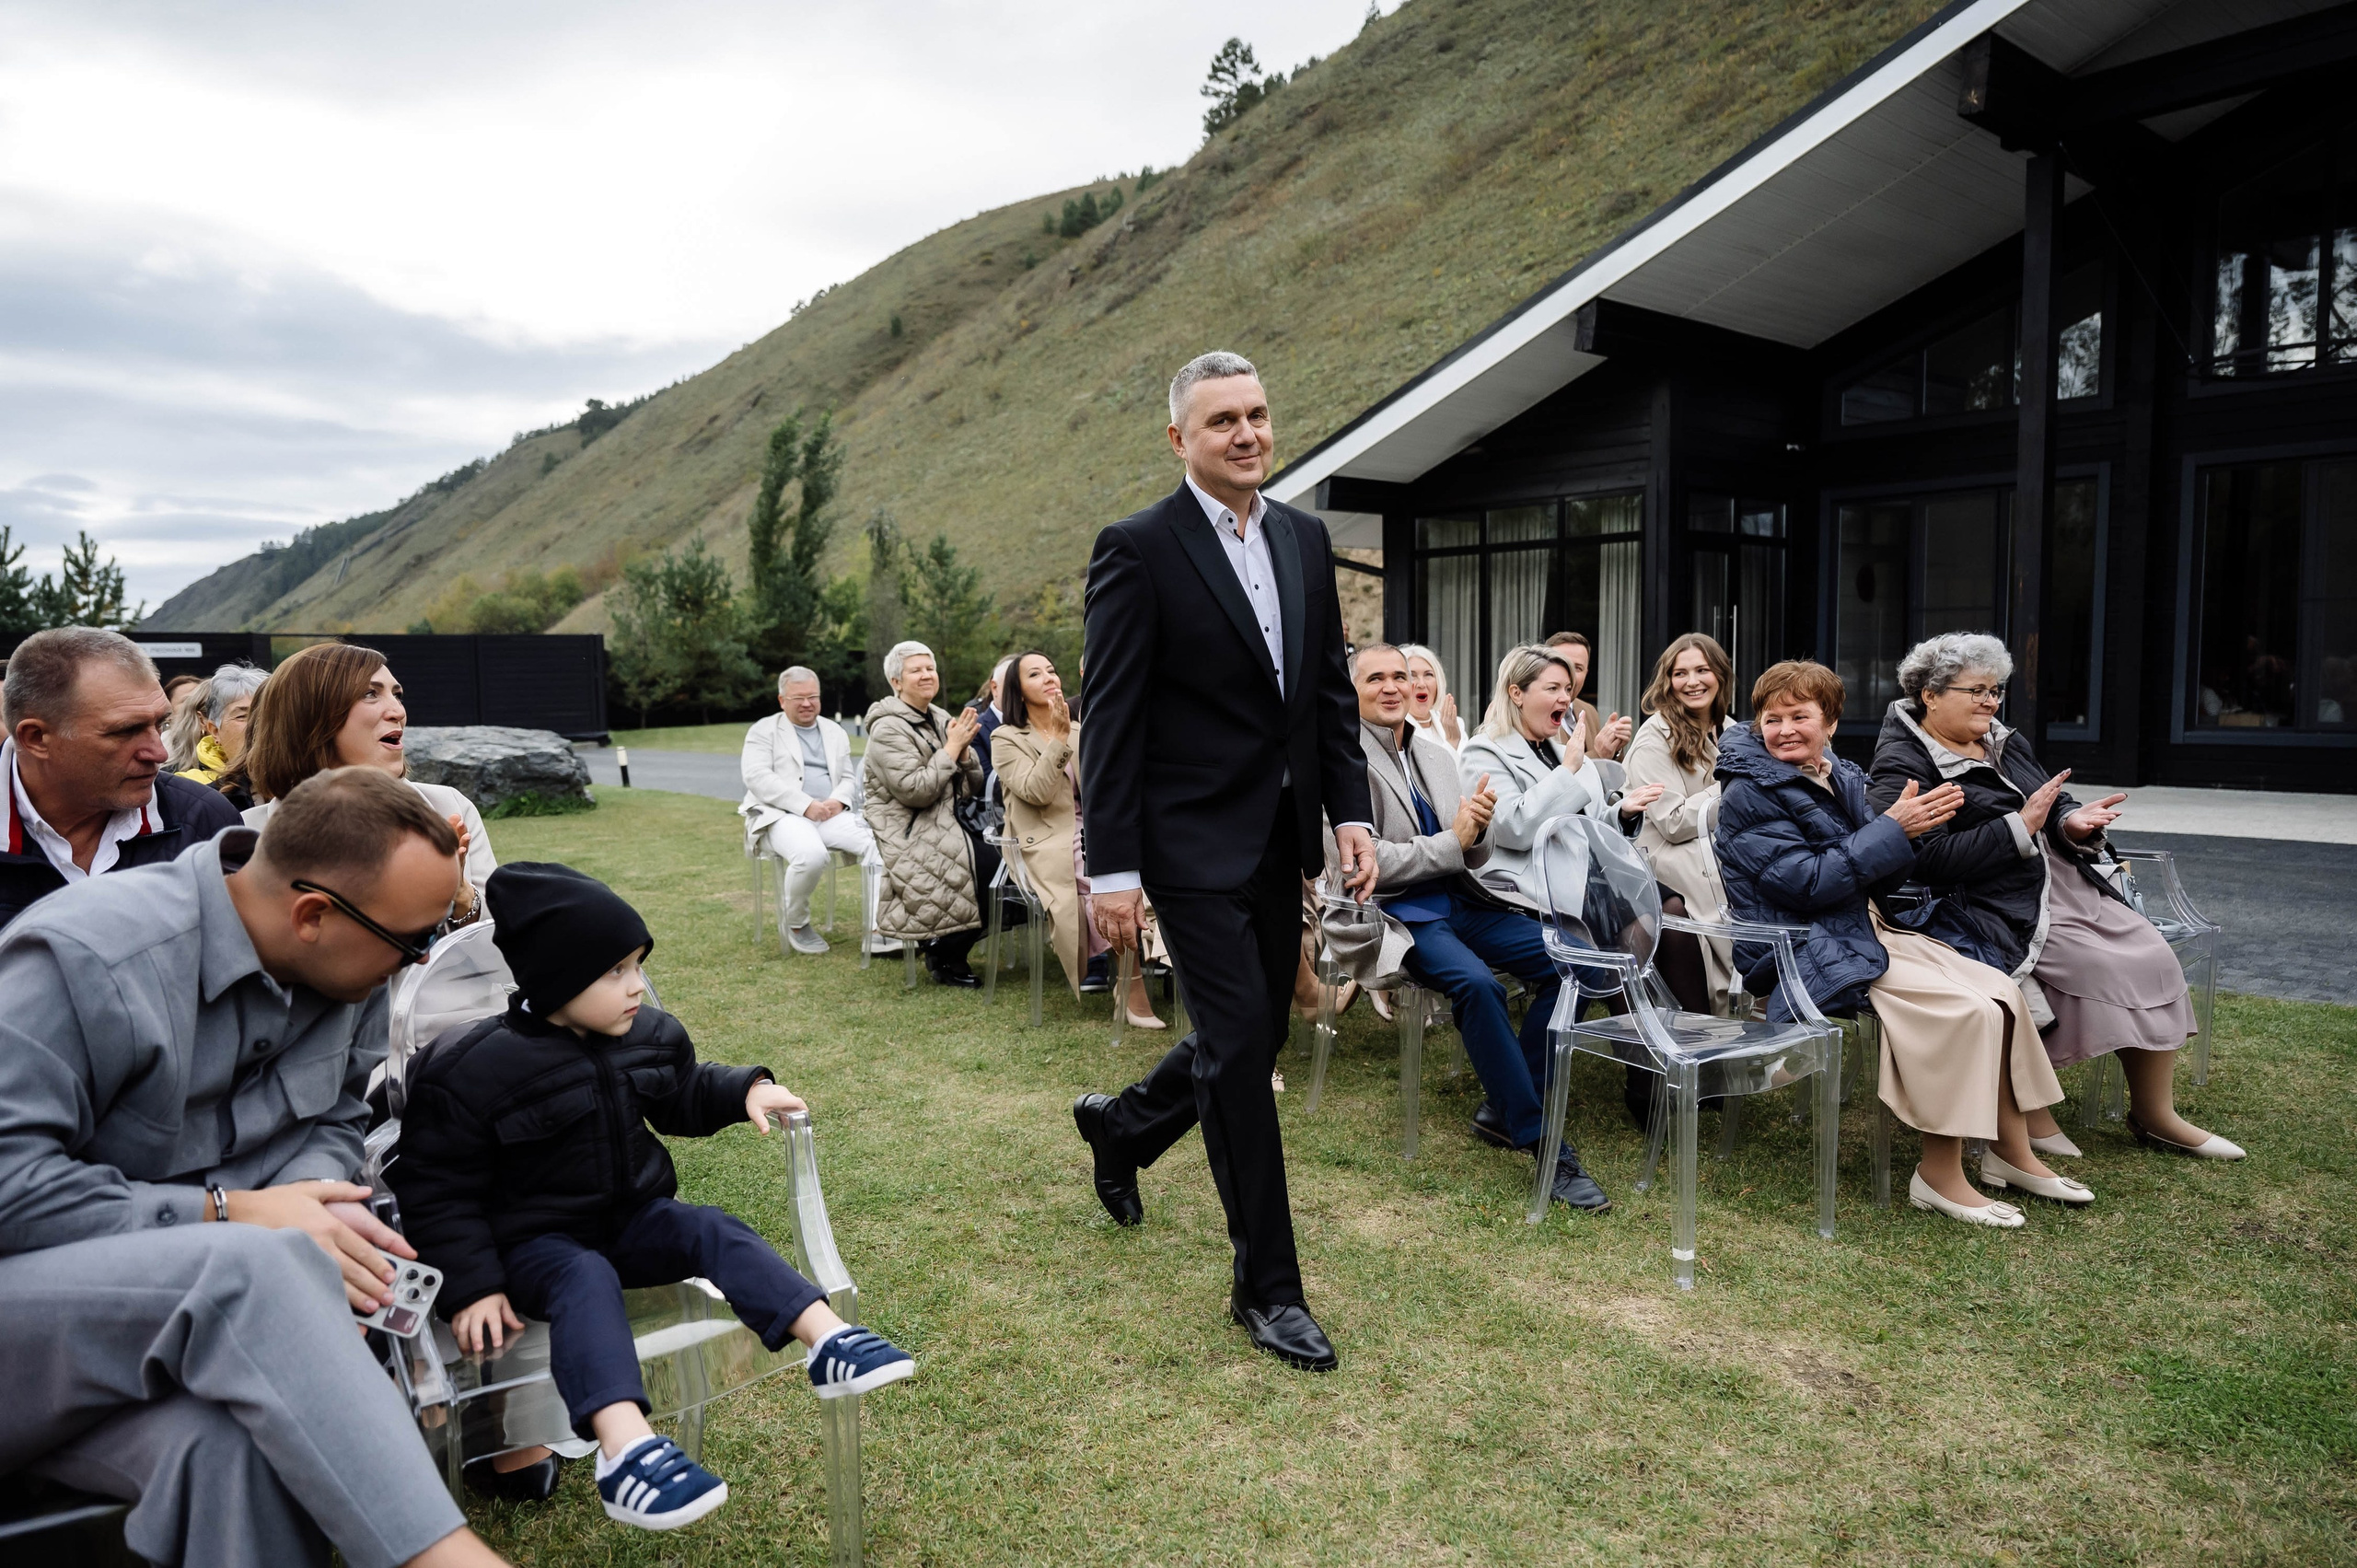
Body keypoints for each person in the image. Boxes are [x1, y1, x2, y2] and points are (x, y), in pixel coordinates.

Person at [0, 766, 514, 1568]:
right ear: (313, 912)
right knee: (254, 1264)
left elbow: (337, 1114)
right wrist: (231, 1212)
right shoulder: (83, 955)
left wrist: (320, 1208)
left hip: (149, 1353)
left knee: (235, 1452)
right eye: (412, 942)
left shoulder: (355, 957)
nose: (418, 961)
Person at [389, 862, 915, 1533]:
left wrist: (745, 1089)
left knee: (707, 1226)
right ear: (555, 978)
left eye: (637, 964)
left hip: (633, 1219)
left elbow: (686, 1091)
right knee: (584, 1275)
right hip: (536, 1246)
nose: (637, 984)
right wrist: (473, 1284)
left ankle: (827, 1341)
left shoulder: (646, 1034)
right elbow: (436, 1187)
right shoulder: (473, 1071)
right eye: (615, 971)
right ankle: (626, 1450)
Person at [1069, 350, 1376, 1374]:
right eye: (1220, 422)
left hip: (1280, 835)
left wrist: (1351, 812)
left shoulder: (1302, 533)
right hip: (1186, 842)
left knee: (1245, 1037)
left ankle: (1122, 1126)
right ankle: (1268, 1290)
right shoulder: (1137, 549)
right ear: (1179, 440)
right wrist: (1110, 866)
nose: (1246, 433)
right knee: (1241, 1049)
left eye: (1256, 414)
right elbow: (1110, 718)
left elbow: (1327, 690)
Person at [1714, 659, 2078, 1229]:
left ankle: (2012, 1151)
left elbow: (1876, 876)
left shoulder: (1842, 775)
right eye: (1772, 718)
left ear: (1830, 723)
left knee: (2001, 992)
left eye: (1799, 716)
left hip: (1867, 928)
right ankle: (1939, 1174)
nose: (1784, 729)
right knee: (1964, 1009)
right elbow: (1806, 884)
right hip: (1806, 945)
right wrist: (1891, 830)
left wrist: (1908, 833)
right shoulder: (1747, 793)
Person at [1868, 633, 2243, 1162]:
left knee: (2152, 954)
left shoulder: (2000, 738)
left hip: (2061, 882)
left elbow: (2050, 794)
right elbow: (1920, 861)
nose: (1990, 702)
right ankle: (2028, 1113)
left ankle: (2155, 1114)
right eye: (1976, 690)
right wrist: (2017, 828)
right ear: (1930, 694)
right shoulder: (1903, 763)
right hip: (1986, 901)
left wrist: (2071, 819)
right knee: (2092, 965)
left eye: (1995, 690)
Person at [1325, 644, 1608, 1209]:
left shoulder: (1433, 753)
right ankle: (1542, 1143)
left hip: (1461, 901)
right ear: (1350, 691)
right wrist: (1454, 840)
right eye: (1374, 678)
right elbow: (1362, 869)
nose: (1391, 687)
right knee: (1478, 986)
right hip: (1396, 913)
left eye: (1400, 677)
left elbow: (1470, 854)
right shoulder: (1337, 761)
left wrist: (1473, 835)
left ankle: (1507, 1105)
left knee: (1572, 957)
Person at [0, 626, 242, 930]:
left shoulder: (204, 819)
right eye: (126, 731)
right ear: (36, 738)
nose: (158, 753)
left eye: (161, 723)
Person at [238, 642, 495, 915]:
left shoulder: (449, 809)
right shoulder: (246, 838)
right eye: (371, 694)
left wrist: (462, 898)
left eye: (397, 695)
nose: (398, 712)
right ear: (310, 715)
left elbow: (497, 945)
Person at [991, 648, 1163, 1027]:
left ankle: (1158, 975)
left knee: (1142, 866)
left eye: (1051, 671)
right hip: (1045, 839)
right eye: (1035, 674)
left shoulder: (1082, 730)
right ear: (1016, 692)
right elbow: (1034, 792)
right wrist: (1057, 740)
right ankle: (1131, 988)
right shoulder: (1006, 738)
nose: (1050, 678)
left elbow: (1103, 791)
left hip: (1090, 827)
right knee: (1106, 879)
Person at [1457, 645, 1663, 912]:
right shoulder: (1484, 751)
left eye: (1567, 689)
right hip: (1535, 896)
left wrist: (1623, 813)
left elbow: (1594, 827)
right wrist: (1566, 770)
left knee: (1666, 915)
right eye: (1553, 689)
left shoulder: (1570, 755)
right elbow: (1515, 828)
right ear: (1517, 694)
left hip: (1596, 883)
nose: (1566, 698)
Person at [1624, 633, 1741, 1015]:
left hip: (1723, 850)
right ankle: (1714, 1025)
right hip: (1671, 862)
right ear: (1667, 681)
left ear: (1720, 675)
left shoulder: (1731, 729)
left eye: (1702, 670)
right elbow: (1673, 822)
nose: (1692, 682)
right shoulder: (1654, 738)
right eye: (1681, 673)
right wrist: (1735, 788)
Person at [863, 639, 989, 986]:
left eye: (930, 668)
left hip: (950, 820)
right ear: (897, 682)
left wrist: (963, 755)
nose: (926, 675)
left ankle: (947, 946)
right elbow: (916, 791)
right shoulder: (887, 728)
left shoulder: (941, 717)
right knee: (984, 866)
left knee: (1005, 862)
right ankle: (945, 953)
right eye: (916, 670)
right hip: (911, 828)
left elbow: (972, 784)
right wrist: (952, 748)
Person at [740, 666, 879, 957]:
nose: (807, 704)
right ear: (782, 700)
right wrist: (805, 805)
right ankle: (795, 922)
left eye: (813, 697)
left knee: (881, 842)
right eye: (798, 698)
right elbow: (757, 777)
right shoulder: (763, 730)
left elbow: (846, 777)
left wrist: (839, 801)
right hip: (779, 815)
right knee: (811, 855)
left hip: (829, 814)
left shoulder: (834, 731)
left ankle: (880, 926)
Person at [172, 661, 267, 808]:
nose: (257, 724)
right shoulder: (191, 793)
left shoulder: (302, 779)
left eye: (266, 714)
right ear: (215, 730)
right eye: (242, 716)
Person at [1543, 632, 1631, 759]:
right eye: (1562, 665)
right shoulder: (1535, 713)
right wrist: (1598, 753)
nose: (1570, 675)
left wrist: (1613, 746)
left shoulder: (1589, 711)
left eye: (1578, 668)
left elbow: (1607, 774)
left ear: (1586, 673)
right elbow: (1553, 773)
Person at [1399, 642, 1463, 749]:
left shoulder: (1455, 724)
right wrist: (1452, 742)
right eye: (1412, 676)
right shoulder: (1395, 730)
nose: (1422, 684)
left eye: (1428, 674)